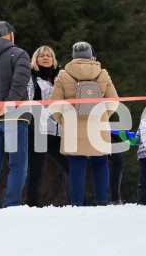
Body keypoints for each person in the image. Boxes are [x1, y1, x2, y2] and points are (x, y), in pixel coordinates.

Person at [50, 41, 118, 206]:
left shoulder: (64, 75)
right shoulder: (102, 74)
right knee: (100, 162)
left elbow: (54, 103)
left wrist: (63, 120)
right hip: (98, 124)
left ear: (73, 56)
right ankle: (102, 200)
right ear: (90, 55)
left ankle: (76, 202)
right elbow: (114, 101)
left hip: (73, 125)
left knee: (76, 164)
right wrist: (103, 115)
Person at [0, 21, 31, 209]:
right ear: (11, 35)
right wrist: (8, 105)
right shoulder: (19, 53)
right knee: (17, 164)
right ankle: (11, 204)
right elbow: (20, 82)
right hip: (14, 117)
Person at [26, 45, 70, 206]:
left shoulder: (60, 76)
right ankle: (32, 204)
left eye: (48, 55)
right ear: (36, 60)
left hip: (57, 131)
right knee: (36, 169)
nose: (45, 58)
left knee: (71, 164)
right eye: (41, 55)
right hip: (37, 130)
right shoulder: (31, 76)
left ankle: (77, 201)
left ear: (53, 59)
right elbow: (27, 101)